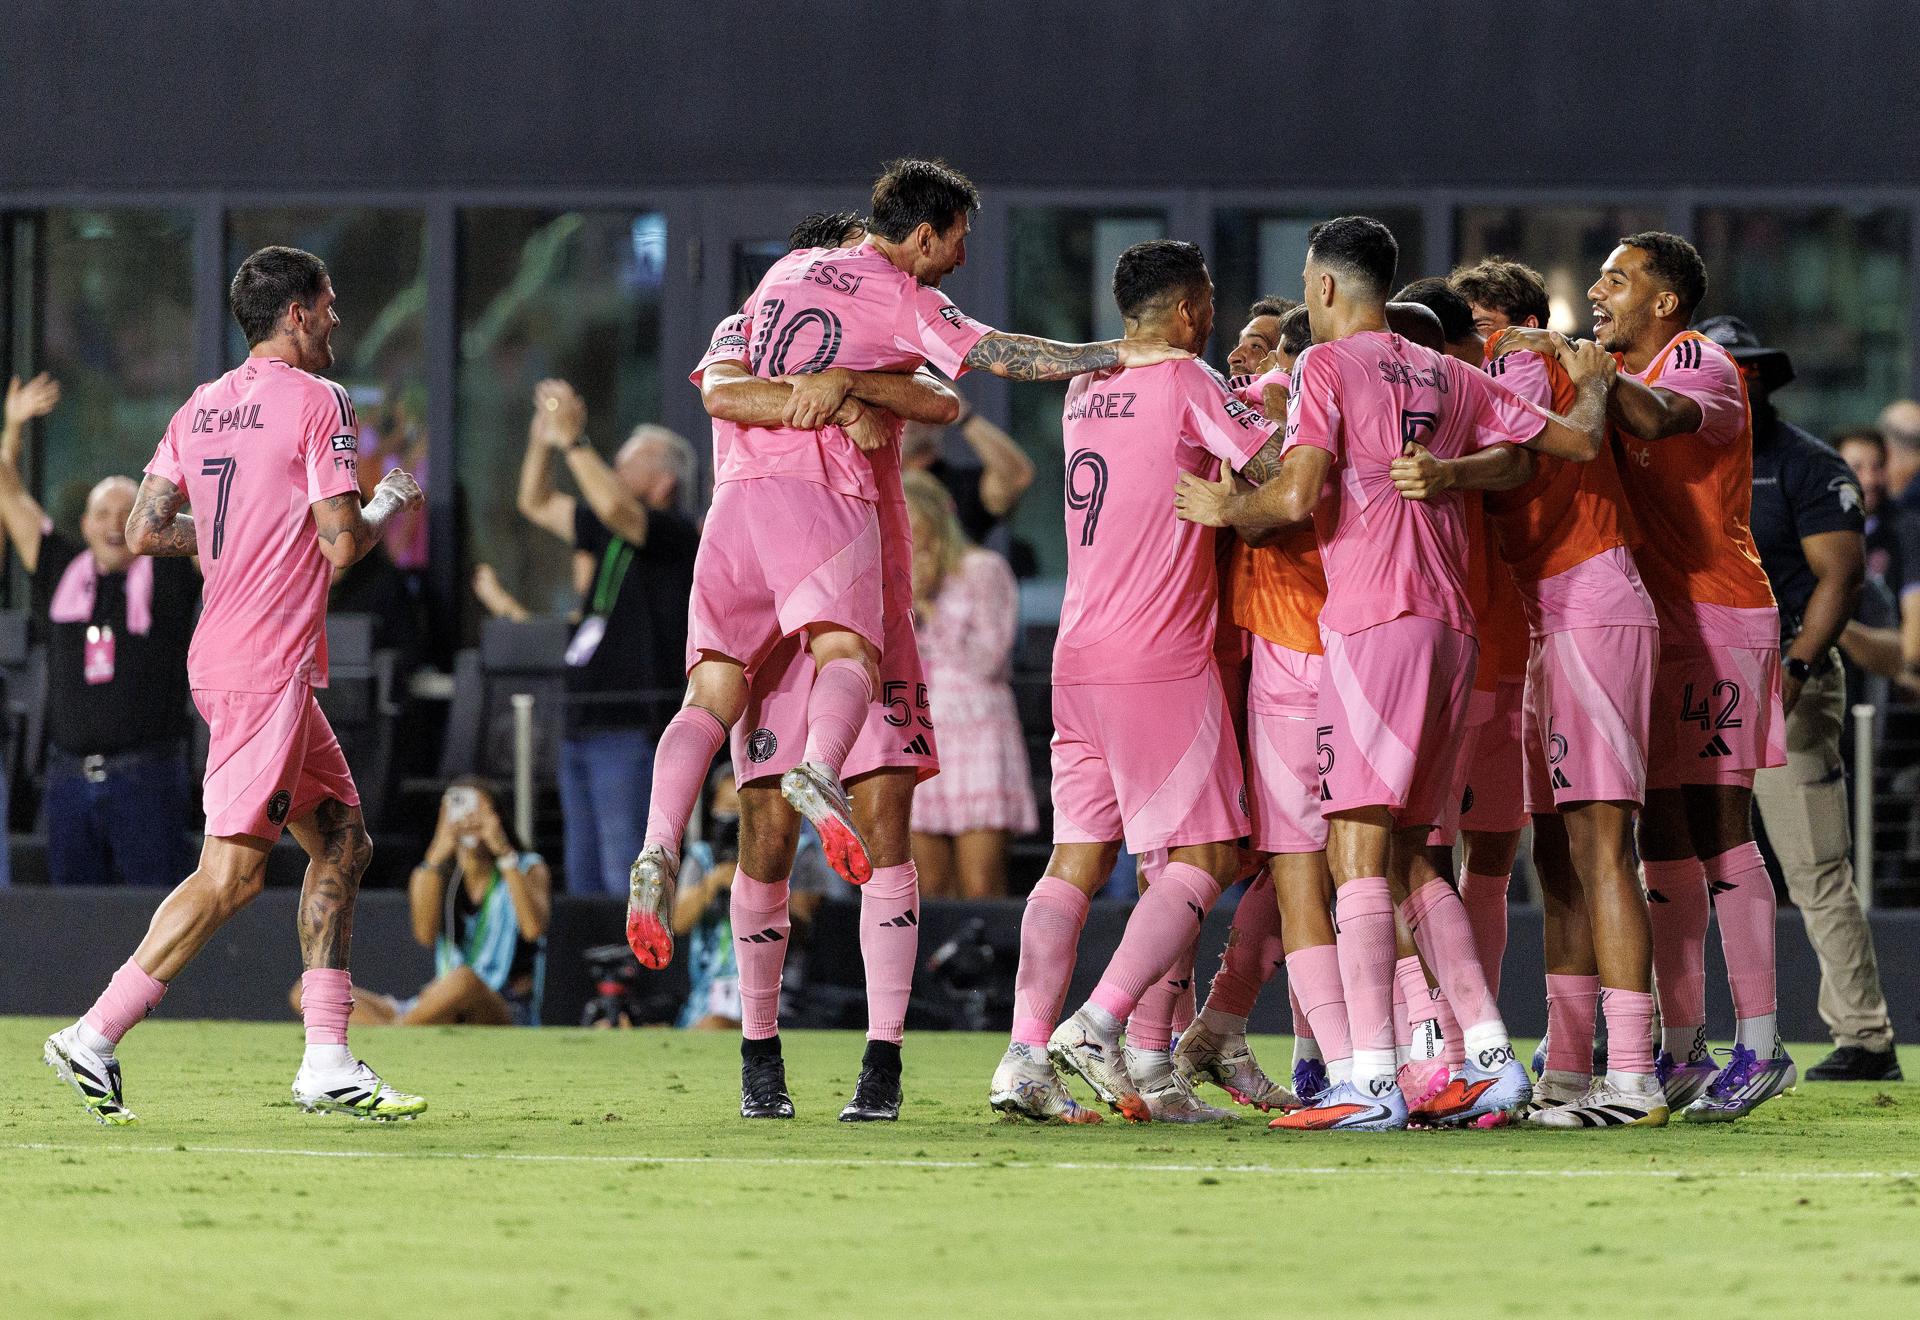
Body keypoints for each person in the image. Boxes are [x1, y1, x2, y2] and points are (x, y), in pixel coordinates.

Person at [625, 157, 1187, 973]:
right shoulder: (899, 294)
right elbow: (997, 356)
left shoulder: (778, 277)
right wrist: (1119, 352)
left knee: (709, 691)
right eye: (958, 240)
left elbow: (735, 393)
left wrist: (848, 385)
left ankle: (658, 844)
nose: (961, 257)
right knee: (848, 661)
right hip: (823, 507)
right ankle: (821, 774)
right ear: (923, 235)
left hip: (733, 512)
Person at [1174, 215, 1612, 1131]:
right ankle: (1489, 1058)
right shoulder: (1451, 371)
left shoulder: (1326, 366)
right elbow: (1569, 444)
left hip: (1375, 623)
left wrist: (1228, 507)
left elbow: (1298, 493)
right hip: (1455, 630)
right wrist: (1586, 390)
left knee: (1355, 852)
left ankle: (1369, 1079)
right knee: (1415, 854)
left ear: (1326, 287)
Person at [43, 244, 428, 1124]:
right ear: (297, 313)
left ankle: (326, 1059)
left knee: (342, 843)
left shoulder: (202, 404)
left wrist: (233, 535)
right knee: (231, 875)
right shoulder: (322, 399)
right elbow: (341, 542)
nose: (336, 318)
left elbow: (145, 528)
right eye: (328, 303)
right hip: (265, 667)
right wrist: (389, 502)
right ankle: (95, 1033)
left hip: (230, 657)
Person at [987, 239, 1280, 1125]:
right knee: (1206, 857)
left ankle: (1023, 1057)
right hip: (1159, 656)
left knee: (1075, 861)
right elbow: (1277, 475)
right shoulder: (1190, 381)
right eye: (1211, 303)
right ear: (1190, 309)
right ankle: (1101, 1023)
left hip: (1077, 655)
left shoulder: (1087, 384)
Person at [1408, 256, 1665, 1127]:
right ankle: (1568, 1072)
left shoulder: (1519, 358)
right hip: (1551, 618)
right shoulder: (1494, 372)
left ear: (1513, 325)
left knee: (1601, 849)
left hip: (1591, 604)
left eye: (1478, 325)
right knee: (1560, 857)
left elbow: (1522, 457)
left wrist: (1446, 473)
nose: (1465, 343)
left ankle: (1633, 1076)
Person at [1582, 233, 1790, 1120]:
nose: (1597, 291)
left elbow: (1661, 419)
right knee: (1661, 838)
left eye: (1615, 279)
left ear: (1664, 302)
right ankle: (1681, 1048)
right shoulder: (1619, 372)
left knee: (1718, 828)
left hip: (1719, 617)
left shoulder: (1697, 360)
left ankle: (1762, 1046)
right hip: (1653, 623)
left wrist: (1585, 369)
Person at [1701, 315, 1900, 1084]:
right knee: (1670, 859)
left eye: (1738, 369)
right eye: (1716, 368)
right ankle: (1653, 1034)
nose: (1728, 380)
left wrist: (1799, 665)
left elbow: (1840, 577)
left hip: (1786, 676)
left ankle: (1865, 1036)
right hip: (1696, 674)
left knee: (1814, 864)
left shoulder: (1806, 465)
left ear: (1758, 379)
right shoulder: (1677, 459)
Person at [1, 373, 198, 887]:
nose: (114, 523)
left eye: (127, 513)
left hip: (149, 780)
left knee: (156, 917)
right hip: (67, 782)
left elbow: (221, 528)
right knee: (75, 921)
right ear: (85, 525)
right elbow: (7, 489)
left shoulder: (170, 572)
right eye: (102, 513)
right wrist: (13, 426)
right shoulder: (57, 567)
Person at [516, 381, 701, 896]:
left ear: (663, 482)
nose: (614, 473)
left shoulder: (676, 533)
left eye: (627, 466)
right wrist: (543, 437)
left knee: (627, 872)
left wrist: (575, 441)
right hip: (582, 716)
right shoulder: (605, 527)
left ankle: (639, 951)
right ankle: (595, 951)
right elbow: (535, 501)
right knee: (583, 877)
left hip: (631, 724)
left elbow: (622, 512)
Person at [289, 776, 551, 1026]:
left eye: (479, 810)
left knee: (464, 981)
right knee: (308, 991)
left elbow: (533, 929)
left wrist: (504, 852)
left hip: (503, 1005)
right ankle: (400, 1029)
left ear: (498, 816)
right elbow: (425, 934)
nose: (469, 818)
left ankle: (399, 1031)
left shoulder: (527, 867)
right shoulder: (437, 874)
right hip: (441, 1002)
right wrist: (438, 849)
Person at [903, 471, 1035, 898]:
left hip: (978, 736)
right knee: (929, 888)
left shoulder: (983, 569)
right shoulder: (894, 578)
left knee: (981, 885)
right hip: (920, 734)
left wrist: (929, 607)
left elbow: (991, 659)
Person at [900, 400, 1035, 552]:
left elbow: (1017, 476)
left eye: (918, 414)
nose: (909, 421)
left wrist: (962, 414)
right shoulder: (880, 485)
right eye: (899, 411)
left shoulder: (963, 485)